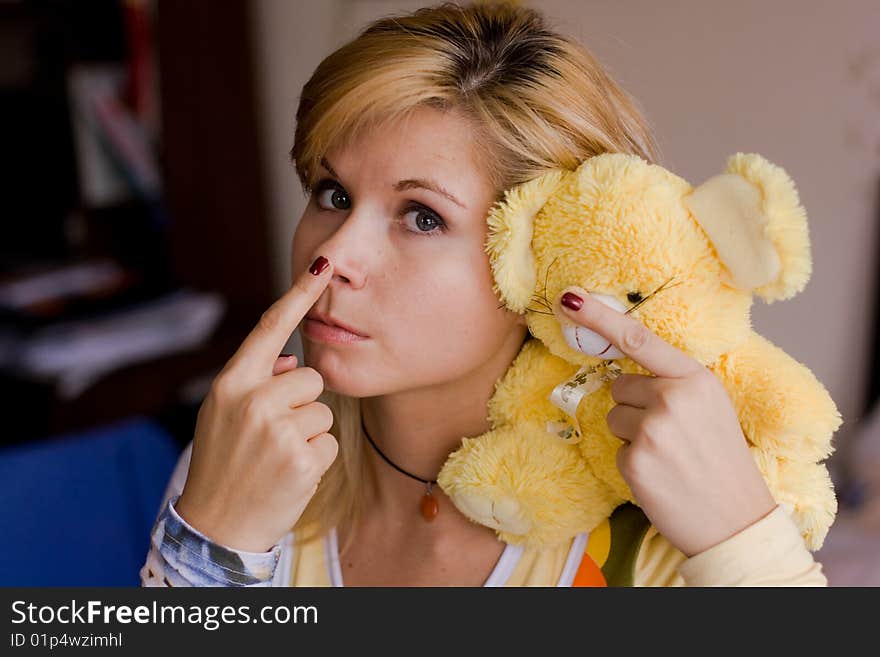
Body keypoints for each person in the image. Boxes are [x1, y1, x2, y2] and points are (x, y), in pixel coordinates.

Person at [140, 0, 827, 587]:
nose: (333, 253)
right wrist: (211, 546)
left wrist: (744, 538)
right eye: (333, 193)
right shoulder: (238, 464)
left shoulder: (659, 539)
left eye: (422, 215)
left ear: (544, 257)